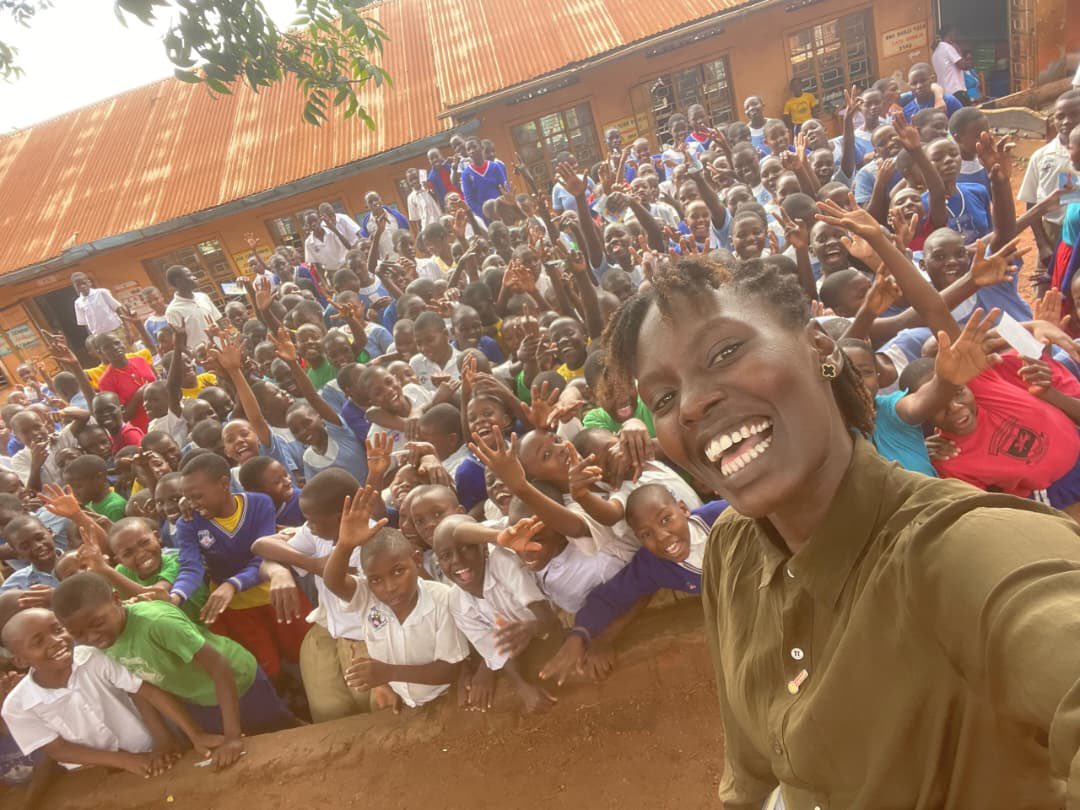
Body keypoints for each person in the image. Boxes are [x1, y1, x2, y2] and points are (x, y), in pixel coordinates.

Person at [599, 184, 1080, 804]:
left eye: (724, 351)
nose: (690, 405)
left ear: (820, 348)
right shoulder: (729, 554)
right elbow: (750, 776)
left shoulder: (960, 550)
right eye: (663, 399)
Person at [52, 571, 294, 769]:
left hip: (239, 683)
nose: (92, 637)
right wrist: (163, 739)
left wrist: (232, 736)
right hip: (196, 698)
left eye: (97, 623)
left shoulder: (157, 624)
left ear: (116, 599)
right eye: (78, 634)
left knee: (279, 734)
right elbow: (140, 687)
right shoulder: (104, 642)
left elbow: (220, 667)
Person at [163, 265, 223, 351]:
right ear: (178, 281)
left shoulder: (203, 297)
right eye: (189, 275)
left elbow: (217, 321)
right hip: (203, 356)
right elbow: (179, 342)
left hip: (222, 348)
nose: (194, 277)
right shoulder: (173, 311)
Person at [71, 272, 127, 342]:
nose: (82, 286)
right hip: (99, 337)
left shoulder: (102, 292)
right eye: (78, 285)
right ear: (75, 287)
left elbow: (118, 309)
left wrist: (128, 330)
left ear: (89, 283)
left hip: (116, 330)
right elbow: (86, 324)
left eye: (84, 283)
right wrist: (92, 340)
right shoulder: (78, 303)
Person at [931, 25, 965, 100]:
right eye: (954, 34)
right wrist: (958, 50)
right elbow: (963, 66)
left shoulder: (934, 53)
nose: (955, 36)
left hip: (944, 93)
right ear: (950, 33)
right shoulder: (948, 47)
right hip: (956, 90)